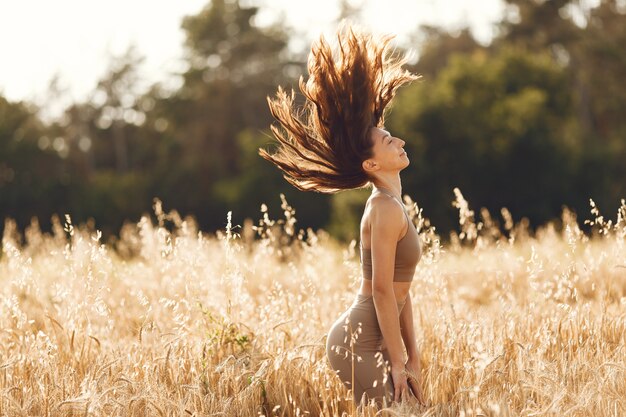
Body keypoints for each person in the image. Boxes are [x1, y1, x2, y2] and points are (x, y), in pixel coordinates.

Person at [258, 23, 426, 408]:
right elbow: (382, 290)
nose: (399, 141)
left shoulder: (394, 204)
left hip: (382, 336)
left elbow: (403, 290)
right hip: (358, 343)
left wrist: (411, 355)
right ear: (371, 163)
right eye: (388, 140)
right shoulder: (383, 208)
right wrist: (397, 362)